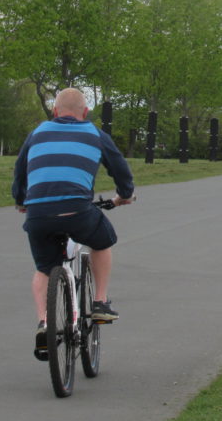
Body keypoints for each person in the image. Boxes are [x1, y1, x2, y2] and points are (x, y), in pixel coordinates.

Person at [12, 87, 135, 361]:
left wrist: (21, 201)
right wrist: (124, 195)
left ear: (54, 112)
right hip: (77, 211)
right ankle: (100, 302)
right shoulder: (94, 133)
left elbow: (20, 171)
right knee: (102, 241)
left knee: (44, 268)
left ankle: (44, 322)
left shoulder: (38, 132)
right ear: (86, 113)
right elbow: (120, 167)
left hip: (38, 213)